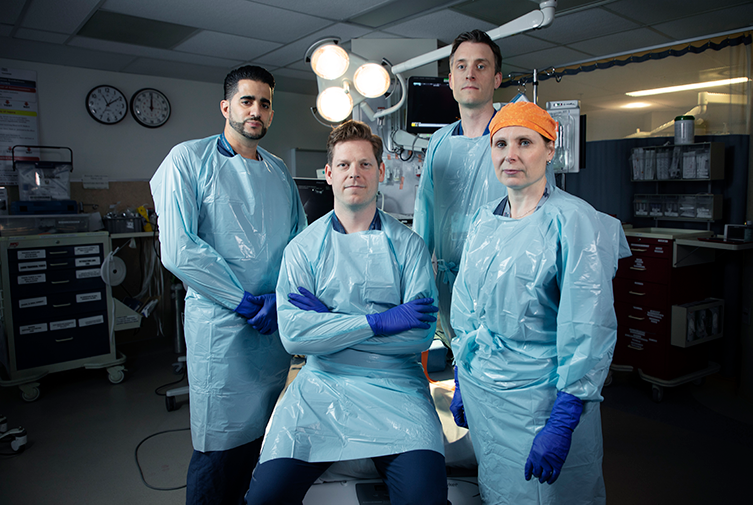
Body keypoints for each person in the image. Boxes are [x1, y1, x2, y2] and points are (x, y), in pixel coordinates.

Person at [245, 120, 447, 505]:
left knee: (425, 498)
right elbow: (294, 337)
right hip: (321, 389)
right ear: (328, 174)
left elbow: (419, 336)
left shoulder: (408, 247)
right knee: (264, 499)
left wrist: (329, 325)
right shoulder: (303, 250)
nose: (354, 173)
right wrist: (378, 321)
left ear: (380, 171)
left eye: (365, 164)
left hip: (397, 392)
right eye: (344, 165)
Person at [449, 102, 630, 504]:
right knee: (498, 488)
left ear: (550, 150)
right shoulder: (484, 221)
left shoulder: (574, 221)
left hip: (541, 402)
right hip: (484, 392)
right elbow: (465, 306)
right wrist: (462, 375)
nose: (509, 155)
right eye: (500, 144)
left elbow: (589, 325)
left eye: (524, 142)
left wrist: (564, 418)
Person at [150, 65, 306, 505]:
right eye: (246, 101)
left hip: (271, 327)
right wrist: (242, 301)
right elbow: (180, 249)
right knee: (218, 449)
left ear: (272, 114)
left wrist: (281, 300)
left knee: (265, 440)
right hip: (221, 329)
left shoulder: (278, 172)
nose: (256, 111)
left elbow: (298, 243)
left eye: (265, 103)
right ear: (226, 106)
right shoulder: (187, 160)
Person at [412, 29, 508, 344]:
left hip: (501, 281)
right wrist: (415, 273)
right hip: (448, 282)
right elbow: (424, 210)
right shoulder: (439, 141)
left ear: (496, 78)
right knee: (460, 362)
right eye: (461, 66)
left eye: (481, 65)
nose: (470, 73)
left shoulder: (510, 138)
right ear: (451, 79)